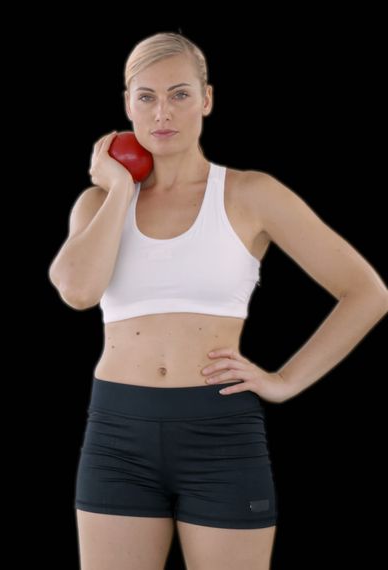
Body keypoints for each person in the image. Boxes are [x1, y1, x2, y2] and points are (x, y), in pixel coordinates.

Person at [48, 32, 388, 570]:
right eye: (146, 97)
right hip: (117, 436)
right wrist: (118, 188)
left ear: (207, 99)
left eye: (180, 94)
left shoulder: (251, 193)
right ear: (126, 105)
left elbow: (367, 292)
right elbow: (78, 291)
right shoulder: (98, 203)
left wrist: (285, 380)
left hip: (219, 436)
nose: (163, 112)